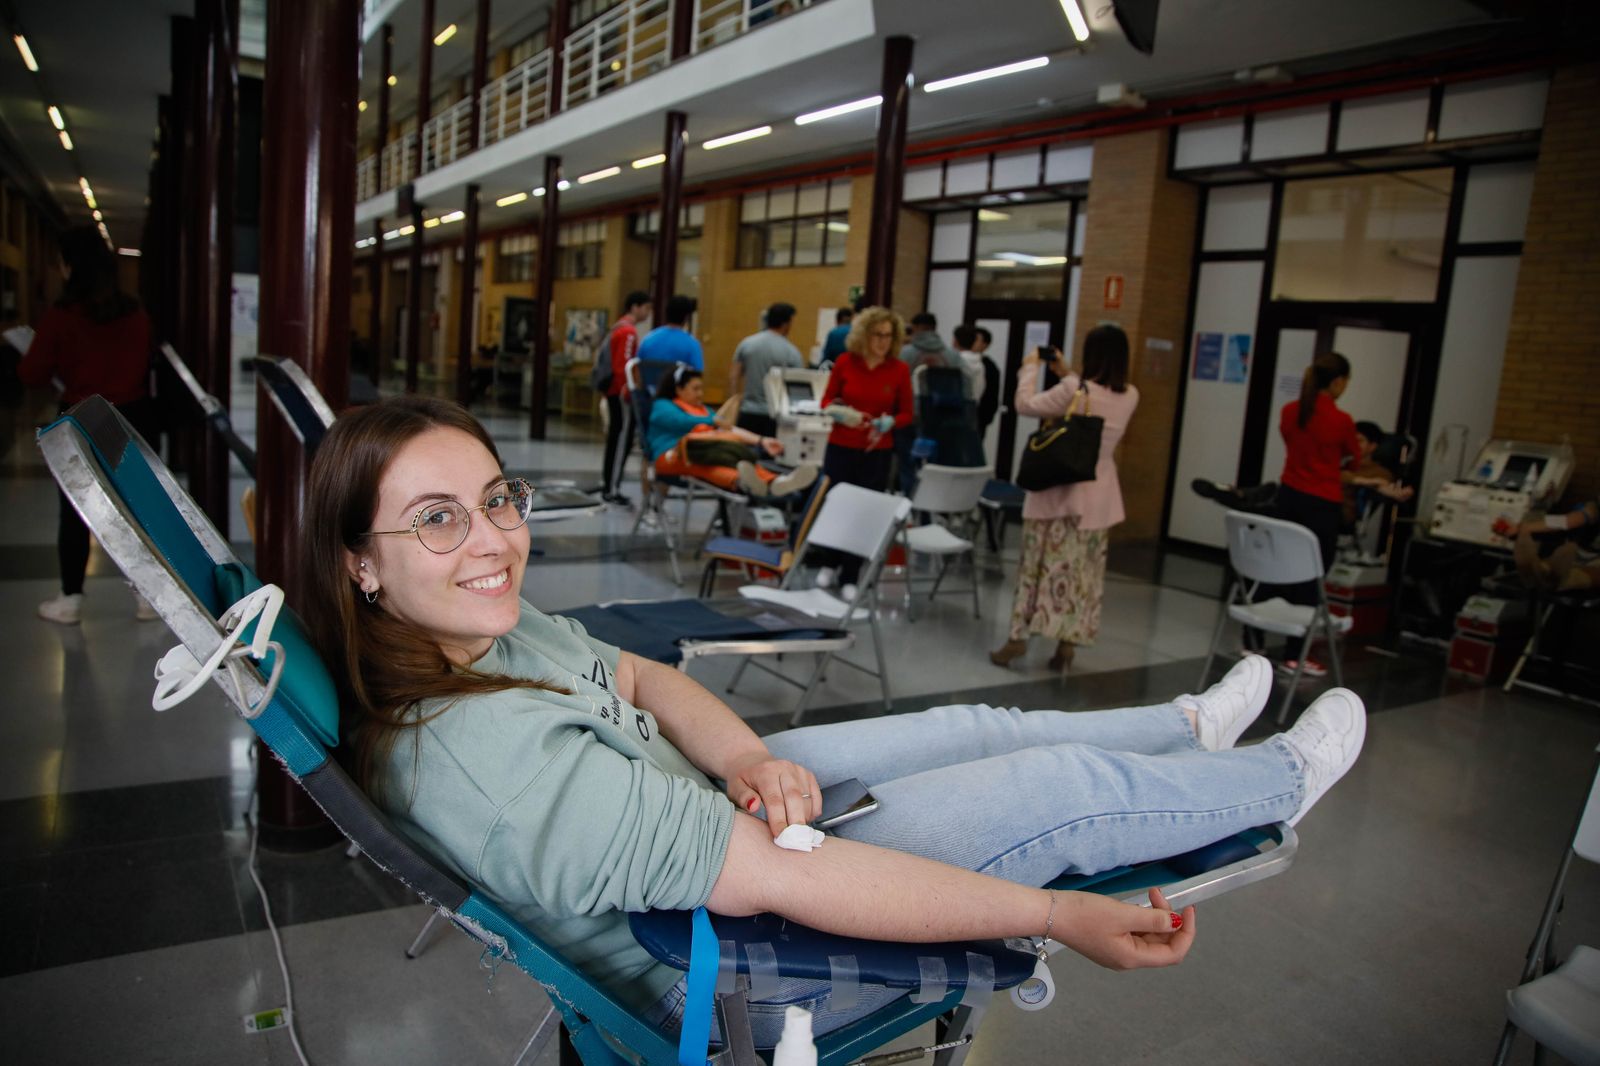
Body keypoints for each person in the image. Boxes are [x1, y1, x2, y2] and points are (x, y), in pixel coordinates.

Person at [299, 395, 1368, 1049]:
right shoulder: (485, 760)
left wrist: (750, 754)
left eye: (497, 499)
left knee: (979, 721)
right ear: (359, 560)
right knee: (1062, 798)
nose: (491, 539)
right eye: (436, 519)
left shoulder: (486, 629)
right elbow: (786, 881)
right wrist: (1057, 917)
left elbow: (638, 677)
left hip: (713, 812)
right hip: (726, 960)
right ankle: (1278, 780)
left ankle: (1186, 725)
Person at [21, 225, 159, 625]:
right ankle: (149, 598)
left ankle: (71, 599)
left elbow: (31, 372)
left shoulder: (62, 316)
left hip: (79, 421)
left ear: (69, 265)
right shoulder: (135, 314)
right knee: (136, 510)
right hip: (131, 420)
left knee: (75, 510)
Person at [991, 327, 1140, 671]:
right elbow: (1091, 394)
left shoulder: (1074, 389)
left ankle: (1017, 639)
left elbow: (1024, 404)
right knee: (1081, 575)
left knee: (1037, 569)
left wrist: (1030, 367)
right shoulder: (1131, 394)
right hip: (1099, 499)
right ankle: (1066, 646)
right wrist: (1066, 370)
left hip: (1059, 495)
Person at [815, 306, 914, 598]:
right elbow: (826, 401)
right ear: (863, 335)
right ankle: (828, 563)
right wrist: (839, 412)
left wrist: (892, 422)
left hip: (877, 450)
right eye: (877, 335)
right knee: (835, 506)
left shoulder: (899, 370)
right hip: (841, 446)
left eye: (888, 335)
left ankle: (851, 573)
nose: (883, 341)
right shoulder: (846, 363)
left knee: (863, 511)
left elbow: (908, 413)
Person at [1272, 352, 1360, 677]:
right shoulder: (1341, 420)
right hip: (1321, 504)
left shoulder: (1290, 412)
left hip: (1289, 497)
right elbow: (1354, 457)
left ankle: (1253, 641)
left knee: (1280, 570)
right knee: (1312, 579)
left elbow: (1290, 442)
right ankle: (1294, 654)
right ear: (1337, 382)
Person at [647, 364, 817, 499]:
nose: (701, 393)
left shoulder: (703, 410)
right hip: (672, 456)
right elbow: (680, 422)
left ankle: (774, 482)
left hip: (706, 452)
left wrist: (761, 440)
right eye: (695, 388)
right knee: (708, 466)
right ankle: (746, 482)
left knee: (737, 461)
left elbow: (729, 428)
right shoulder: (662, 406)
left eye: (701, 388)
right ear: (679, 389)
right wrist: (713, 421)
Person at [600, 291, 652, 506]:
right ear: (635, 307)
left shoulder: (617, 327)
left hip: (613, 391)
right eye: (647, 308)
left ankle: (610, 485)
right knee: (621, 439)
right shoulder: (628, 332)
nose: (648, 313)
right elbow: (623, 365)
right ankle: (611, 488)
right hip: (620, 393)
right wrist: (628, 391)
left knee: (616, 437)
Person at [729, 302, 804, 438]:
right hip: (775, 416)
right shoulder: (792, 352)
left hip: (748, 412)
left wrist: (736, 401)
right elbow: (797, 387)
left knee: (745, 455)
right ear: (786, 324)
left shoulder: (746, 344)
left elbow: (734, 376)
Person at [636, 295, 703, 371]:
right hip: (677, 383)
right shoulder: (692, 344)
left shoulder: (648, 339)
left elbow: (637, 369)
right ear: (686, 317)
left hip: (649, 383)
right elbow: (697, 374)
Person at [974, 326, 1001, 436]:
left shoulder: (989, 366)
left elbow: (992, 395)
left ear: (985, 345)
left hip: (979, 417)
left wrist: (985, 418)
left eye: (976, 340)